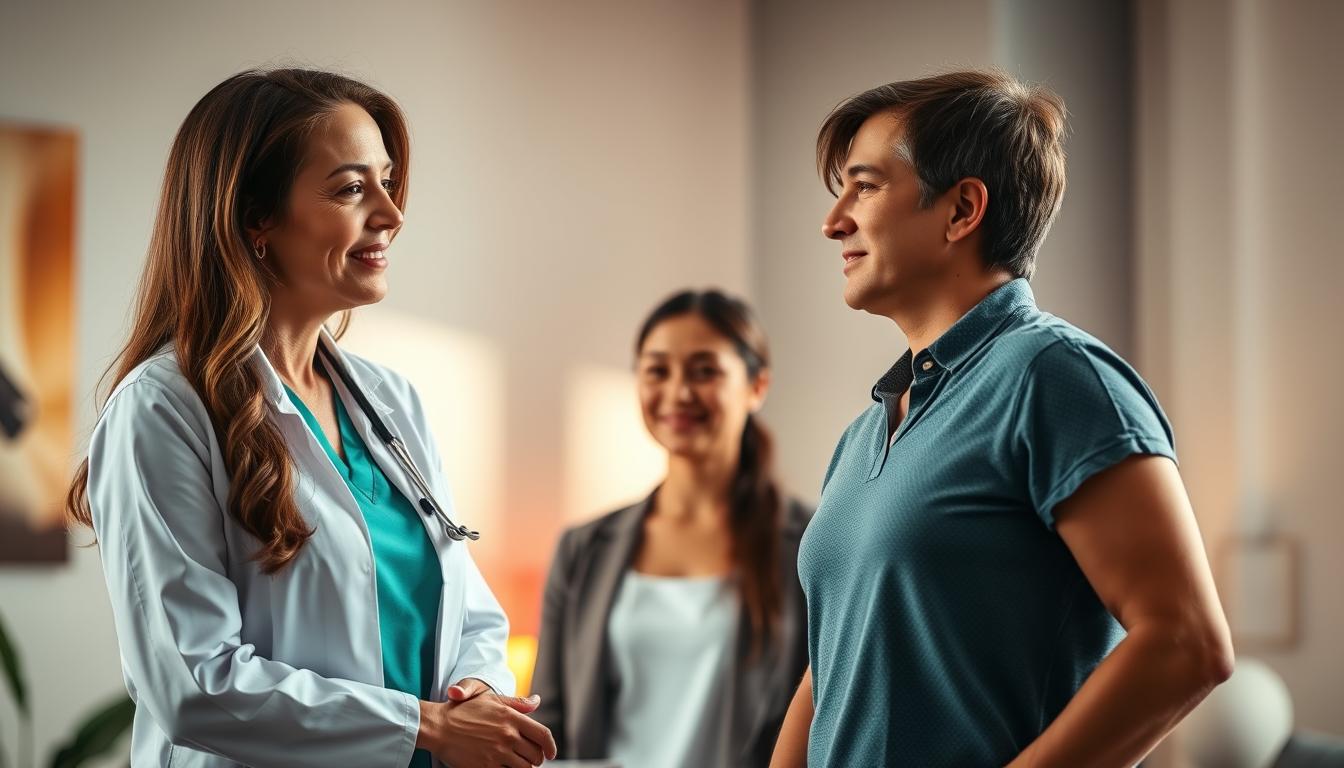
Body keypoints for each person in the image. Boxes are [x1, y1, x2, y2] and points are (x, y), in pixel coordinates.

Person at [66, 69, 556, 768]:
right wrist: (426, 727)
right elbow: (192, 685)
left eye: (388, 182)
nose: (391, 213)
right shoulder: (163, 409)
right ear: (254, 218)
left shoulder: (391, 402)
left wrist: (476, 689)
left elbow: (470, 610)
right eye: (352, 188)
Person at [769, 70, 1234, 767]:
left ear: (961, 210)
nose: (833, 221)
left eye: (865, 186)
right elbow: (833, 666)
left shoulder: (1055, 377)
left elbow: (1185, 645)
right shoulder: (864, 433)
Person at [530, 289, 811, 768]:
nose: (679, 393)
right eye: (658, 370)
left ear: (756, 386)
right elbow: (547, 728)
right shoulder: (583, 548)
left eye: (704, 371)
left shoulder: (811, 545)